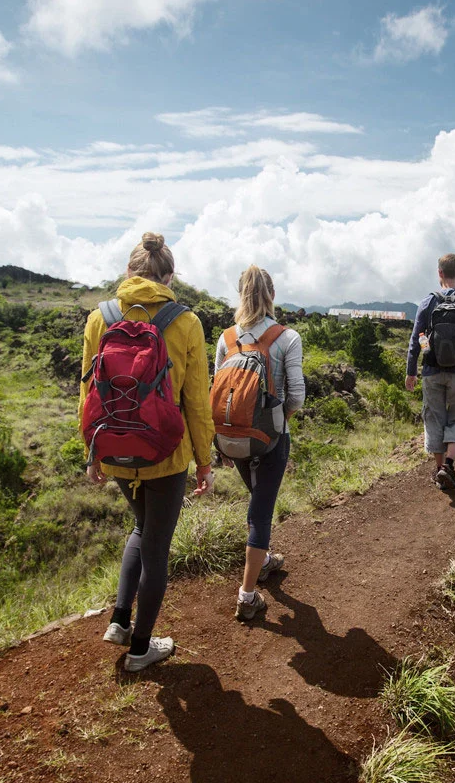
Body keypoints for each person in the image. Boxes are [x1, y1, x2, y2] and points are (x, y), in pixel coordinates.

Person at [80, 232, 215, 672]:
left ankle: (119, 621)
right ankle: (141, 650)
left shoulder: (99, 318)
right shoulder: (186, 322)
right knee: (156, 546)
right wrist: (205, 463)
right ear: (169, 277)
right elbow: (197, 401)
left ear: (128, 272)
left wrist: (92, 453)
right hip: (166, 454)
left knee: (141, 528)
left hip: (116, 449)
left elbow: (86, 394)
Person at [215, 266, 305, 622]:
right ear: (272, 294)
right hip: (271, 438)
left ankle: (264, 559)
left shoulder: (226, 339)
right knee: (261, 513)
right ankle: (247, 595)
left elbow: (217, 391)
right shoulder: (287, 337)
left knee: (256, 500)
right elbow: (296, 396)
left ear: (240, 295)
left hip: (232, 438)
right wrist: (279, 421)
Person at [405, 253, 455, 491]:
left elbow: (416, 339)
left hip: (431, 370)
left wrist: (411, 371)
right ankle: (448, 465)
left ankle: (440, 468)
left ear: (439, 272)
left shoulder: (427, 303)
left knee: (434, 417)